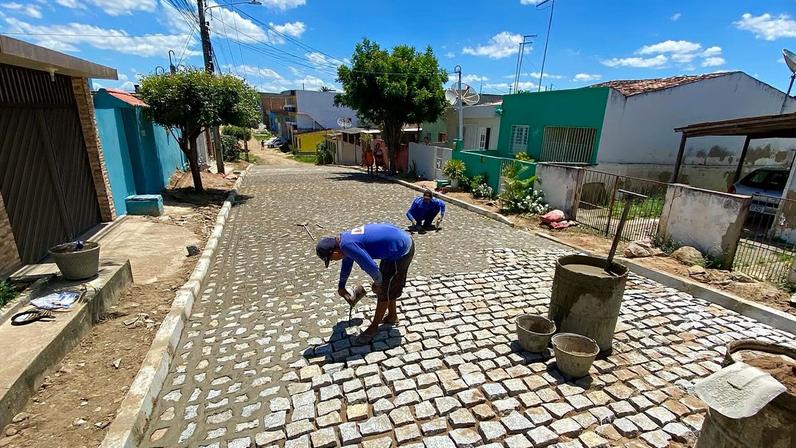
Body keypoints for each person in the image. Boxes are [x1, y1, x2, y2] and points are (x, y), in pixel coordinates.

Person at [316, 223, 415, 345]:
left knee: (384, 290)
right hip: (393, 247)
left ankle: (373, 328)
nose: (332, 261)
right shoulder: (343, 241)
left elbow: (371, 266)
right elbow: (347, 266)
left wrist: (378, 283)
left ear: (335, 253)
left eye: (330, 259)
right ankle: (392, 316)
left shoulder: (347, 246)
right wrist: (341, 286)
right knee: (389, 286)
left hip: (401, 250)